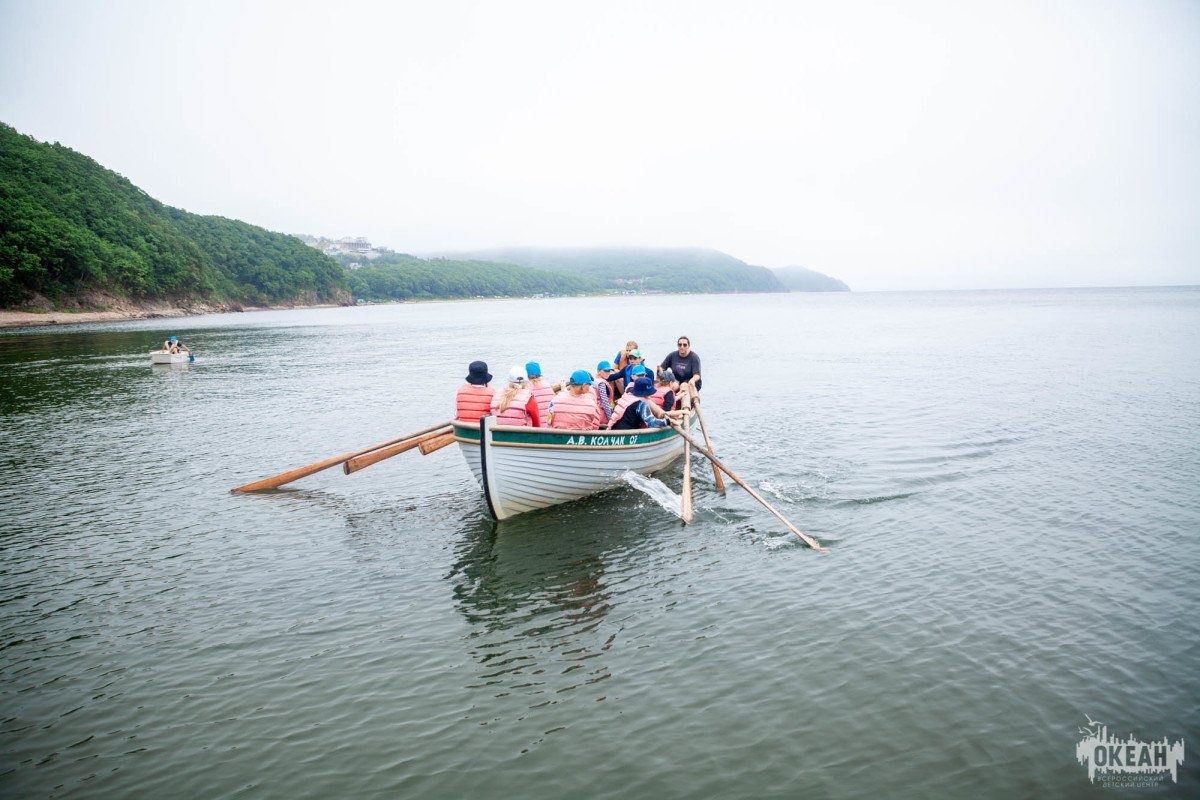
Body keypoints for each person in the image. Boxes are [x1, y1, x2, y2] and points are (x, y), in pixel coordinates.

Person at [608, 377, 685, 430]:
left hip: (613, 428)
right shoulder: (641, 404)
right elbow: (652, 423)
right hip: (626, 432)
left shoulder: (627, 395)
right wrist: (668, 421)